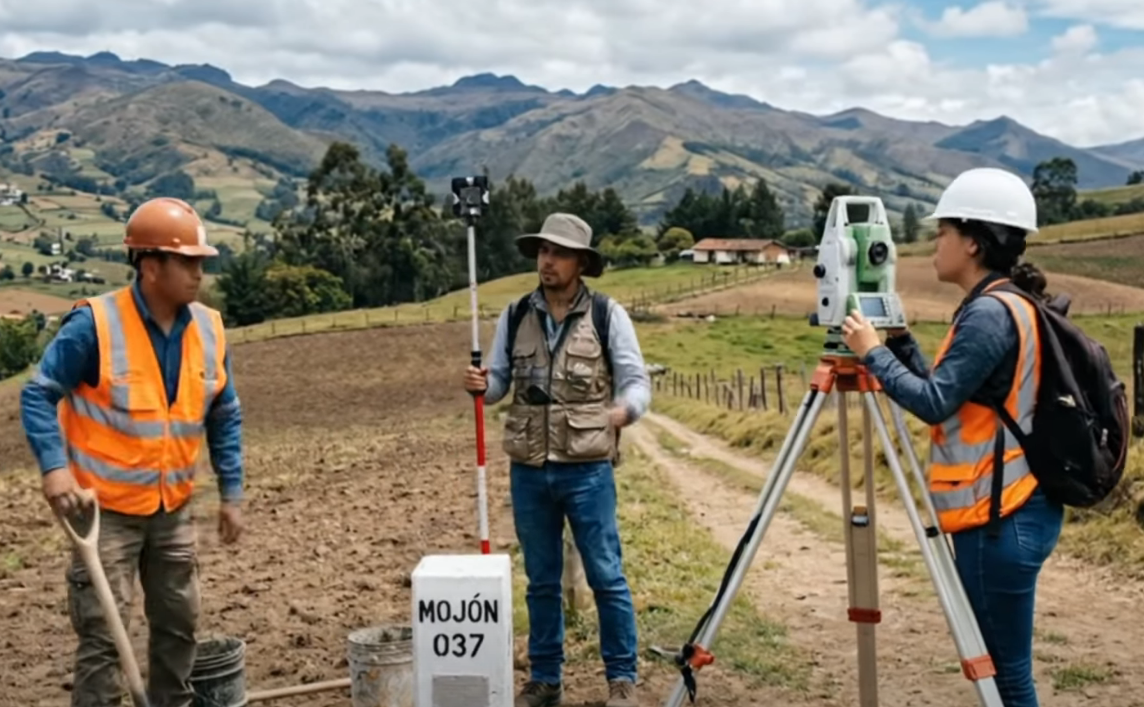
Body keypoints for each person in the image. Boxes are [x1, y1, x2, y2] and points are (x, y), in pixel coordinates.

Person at [840, 167, 1064, 707]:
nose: (933, 243)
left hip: (999, 517)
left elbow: (933, 402)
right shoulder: (1002, 303)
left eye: (941, 232)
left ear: (972, 241)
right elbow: (953, 396)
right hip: (1011, 509)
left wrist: (870, 352)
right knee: (1002, 672)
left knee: (1005, 678)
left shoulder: (989, 313)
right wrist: (898, 343)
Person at [19, 196, 245, 707]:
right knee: (103, 635)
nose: (198, 273)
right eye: (187, 261)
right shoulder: (94, 326)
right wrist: (55, 470)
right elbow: (38, 393)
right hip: (103, 512)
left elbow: (224, 413)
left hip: (172, 508)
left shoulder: (209, 328)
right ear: (150, 266)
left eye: (200, 262)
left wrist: (232, 494)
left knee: (178, 625)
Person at [462, 212, 651, 707]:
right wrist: (484, 387)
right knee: (541, 580)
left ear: (581, 263)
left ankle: (621, 680)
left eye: (559, 253)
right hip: (528, 469)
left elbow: (636, 381)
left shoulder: (608, 316)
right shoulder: (515, 313)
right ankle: (545, 680)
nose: (547, 260)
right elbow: (501, 382)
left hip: (587, 470)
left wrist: (625, 411)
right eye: (543, 251)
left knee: (606, 575)